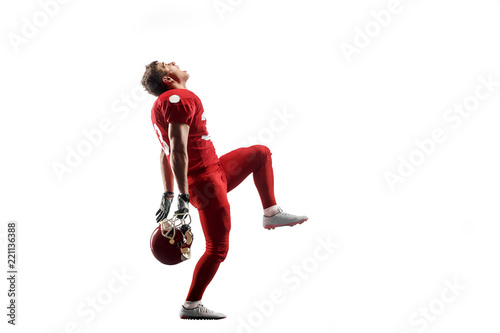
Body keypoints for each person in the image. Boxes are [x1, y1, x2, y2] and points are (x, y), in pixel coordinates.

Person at [141, 61, 308, 320]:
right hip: (204, 182)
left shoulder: (166, 102)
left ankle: (271, 212)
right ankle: (191, 305)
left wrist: (168, 193)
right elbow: (177, 149)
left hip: (214, 170)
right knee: (217, 248)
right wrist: (183, 197)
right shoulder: (178, 98)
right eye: (167, 64)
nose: (175, 63)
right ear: (167, 79)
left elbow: (166, 153)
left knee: (260, 154)